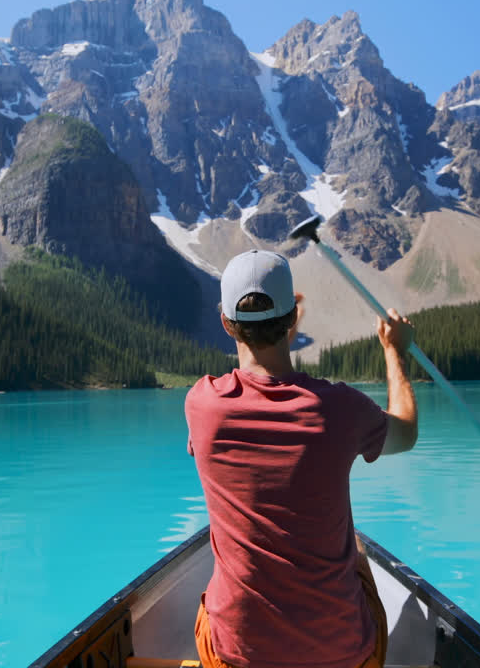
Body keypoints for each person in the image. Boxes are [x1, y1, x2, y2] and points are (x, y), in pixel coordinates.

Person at [186, 249, 418, 668]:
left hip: (236, 659)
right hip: (344, 657)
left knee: (215, 587)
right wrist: (394, 351)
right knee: (359, 553)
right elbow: (405, 432)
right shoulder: (341, 409)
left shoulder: (203, 405)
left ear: (225, 323)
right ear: (292, 320)